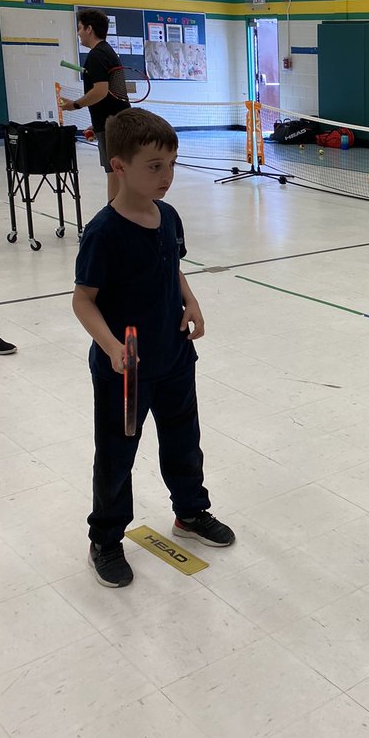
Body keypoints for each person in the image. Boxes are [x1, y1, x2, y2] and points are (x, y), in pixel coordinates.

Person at [73, 108, 234, 588]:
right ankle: (105, 537)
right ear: (119, 165)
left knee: (185, 441)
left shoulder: (168, 217)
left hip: (174, 357)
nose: (166, 176)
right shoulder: (103, 232)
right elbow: (83, 302)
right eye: (154, 166)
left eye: (171, 164)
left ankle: (190, 513)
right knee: (117, 455)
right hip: (126, 371)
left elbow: (173, 269)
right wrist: (111, 348)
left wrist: (191, 302)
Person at [59, 9, 129, 203]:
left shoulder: (97, 56)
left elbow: (101, 91)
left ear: (89, 29)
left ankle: (115, 218)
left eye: (80, 28)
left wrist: (75, 104)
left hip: (111, 125)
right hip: (113, 121)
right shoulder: (108, 52)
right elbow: (114, 95)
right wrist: (96, 124)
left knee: (113, 171)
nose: (79, 33)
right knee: (119, 171)